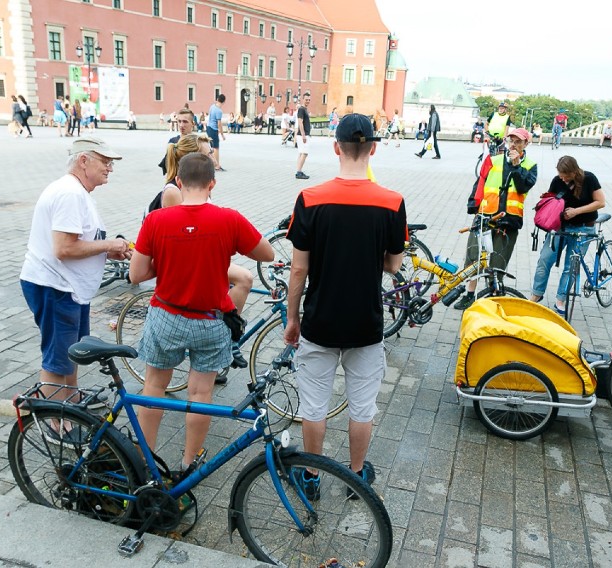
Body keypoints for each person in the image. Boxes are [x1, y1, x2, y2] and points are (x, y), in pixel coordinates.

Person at [284, 113, 407, 496]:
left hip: (320, 320)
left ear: (336, 147)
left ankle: (313, 477)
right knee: (362, 408)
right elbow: (392, 264)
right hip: (365, 324)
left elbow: (298, 271)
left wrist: (292, 318)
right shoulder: (392, 202)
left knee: (314, 406)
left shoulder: (310, 198)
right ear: (372, 148)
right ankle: (355, 477)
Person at [130, 152, 273, 471]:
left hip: (165, 316)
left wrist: (168, 261)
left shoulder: (156, 220)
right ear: (212, 184)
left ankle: (143, 460)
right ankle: (188, 461)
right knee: (200, 391)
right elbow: (267, 252)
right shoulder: (229, 219)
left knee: (154, 385)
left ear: (178, 182)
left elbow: (136, 274)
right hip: (210, 321)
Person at [20, 137, 130, 403]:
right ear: (83, 160)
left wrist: (105, 250)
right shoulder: (69, 193)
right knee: (58, 360)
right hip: (56, 286)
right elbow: (64, 248)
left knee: (70, 353)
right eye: (105, 161)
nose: (110, 168)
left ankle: (70, 402)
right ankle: (55, 422)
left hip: (67, 287)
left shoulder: (77, 191)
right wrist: (109, 244)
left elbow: (75, 243)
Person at [148, 132, 255, 373]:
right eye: (208, 154)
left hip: (191, 254)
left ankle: (225, 336)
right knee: (244, 278)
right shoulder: (174, 192)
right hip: (184, 260)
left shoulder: (187, 187)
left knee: (241, 277)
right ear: (194, 158)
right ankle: (229, 335)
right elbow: (187, 237)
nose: (213, 158)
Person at [454, 128, 538, 311]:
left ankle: (492, 300)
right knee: (473, 257)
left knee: (497, 264)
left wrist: (516, 167)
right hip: (485, 215)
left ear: (526, 144)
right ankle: (469, 295)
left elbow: (524, 187)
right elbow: (480, 183)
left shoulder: (531, 165)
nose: (514, 144)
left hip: (509, 221)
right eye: (511, 141)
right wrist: (473, 205)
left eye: (519, 141)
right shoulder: (493, 159)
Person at [529, 156, 606, 314]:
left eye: (566, 175)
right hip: (560, 227)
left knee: (570, 266)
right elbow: (552, 201)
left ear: (574, 171)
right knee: (545, 259)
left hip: (584, 228)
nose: (562, 178)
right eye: (560, 174)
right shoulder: (557, 181)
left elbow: (600, 202)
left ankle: (560, 299)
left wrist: (576, 211)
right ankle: (536, 295)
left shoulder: (589, 179)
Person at [158, 108, 196, 174]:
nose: (181, 125)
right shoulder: (173, 141)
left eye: (185, 121)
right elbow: (167, 166)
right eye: (179, 121)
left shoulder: (199, 142)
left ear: (193, 123)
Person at [295, 92, 313, 179]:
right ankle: (299, 172)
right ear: (303, 99)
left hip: (304, 134)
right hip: (303, 135)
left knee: (301, 153)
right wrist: (303, 135)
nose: (308, 101)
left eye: (309, 100)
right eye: (306, 99)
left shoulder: (304, 109)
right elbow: (300, 122)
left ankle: (298, 170)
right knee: (305, 153)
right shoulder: (301, 109)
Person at [207, 94, 226, 171]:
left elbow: (210, 118)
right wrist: (222, 134)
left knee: (212, 147)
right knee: (216, 148)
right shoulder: (219, 111)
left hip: (209, 128)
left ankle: (212, 164)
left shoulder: (212, 106)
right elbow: (219, 124)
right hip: (214, 129)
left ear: (217, 99)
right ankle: (216, 165)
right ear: (224, 102)